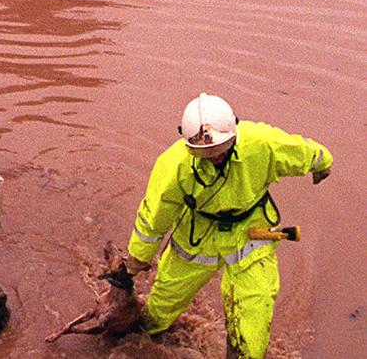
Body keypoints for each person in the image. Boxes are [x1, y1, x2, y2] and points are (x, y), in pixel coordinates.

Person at [125, 92, 332, 358]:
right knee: (159, 311)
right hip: (197, 238)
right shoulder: (173, 166)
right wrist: (135, 261)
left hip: (251, 236)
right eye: (205, 154)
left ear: (234, 133)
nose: (214, 159)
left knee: (253, 321)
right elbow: (152, 220)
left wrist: (323, 165)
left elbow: (306, 152)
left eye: (219, 152)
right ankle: (145, 335)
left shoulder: (262, 143)